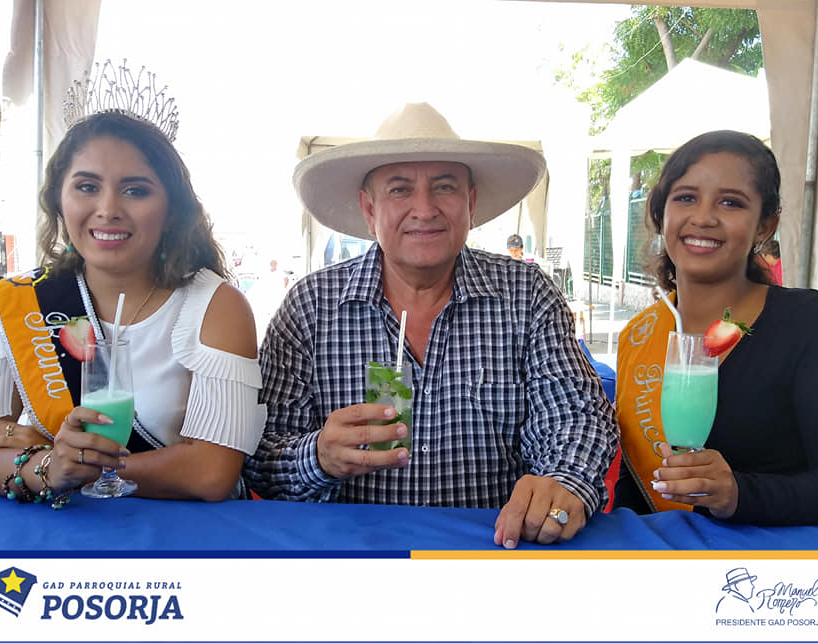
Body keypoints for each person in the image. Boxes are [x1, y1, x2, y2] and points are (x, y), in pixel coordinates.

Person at [244, 102, 618, 547]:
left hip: (492, 550)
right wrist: (318, 457)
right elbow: (258, 452)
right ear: (369, 208)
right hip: (353, 555)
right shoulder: (310, 306)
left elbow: (577, 415)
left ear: (470, 203)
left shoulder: (526, 295)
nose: (424, 209)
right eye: (400, 189)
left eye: (444, 187)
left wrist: (563, 480)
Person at [0, 60, 266, 505]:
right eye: (87, 186)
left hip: (178, 536)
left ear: (171, 209)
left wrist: (59, 455)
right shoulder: (22, 301)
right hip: (62, 534)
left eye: (135, 190)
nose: (109, 209)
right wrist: (49, 466)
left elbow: (210, 474)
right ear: (59, 199)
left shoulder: (215, 306)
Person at [614, 130, 818, 525]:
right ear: (660, 213)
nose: (703, 217)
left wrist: (738, 493)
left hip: (774, 562)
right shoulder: (638, 335)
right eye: (685, 198)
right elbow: (634, 487)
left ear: (765, 226)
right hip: (663, 555)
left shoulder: (806, 323)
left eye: (731, 202)